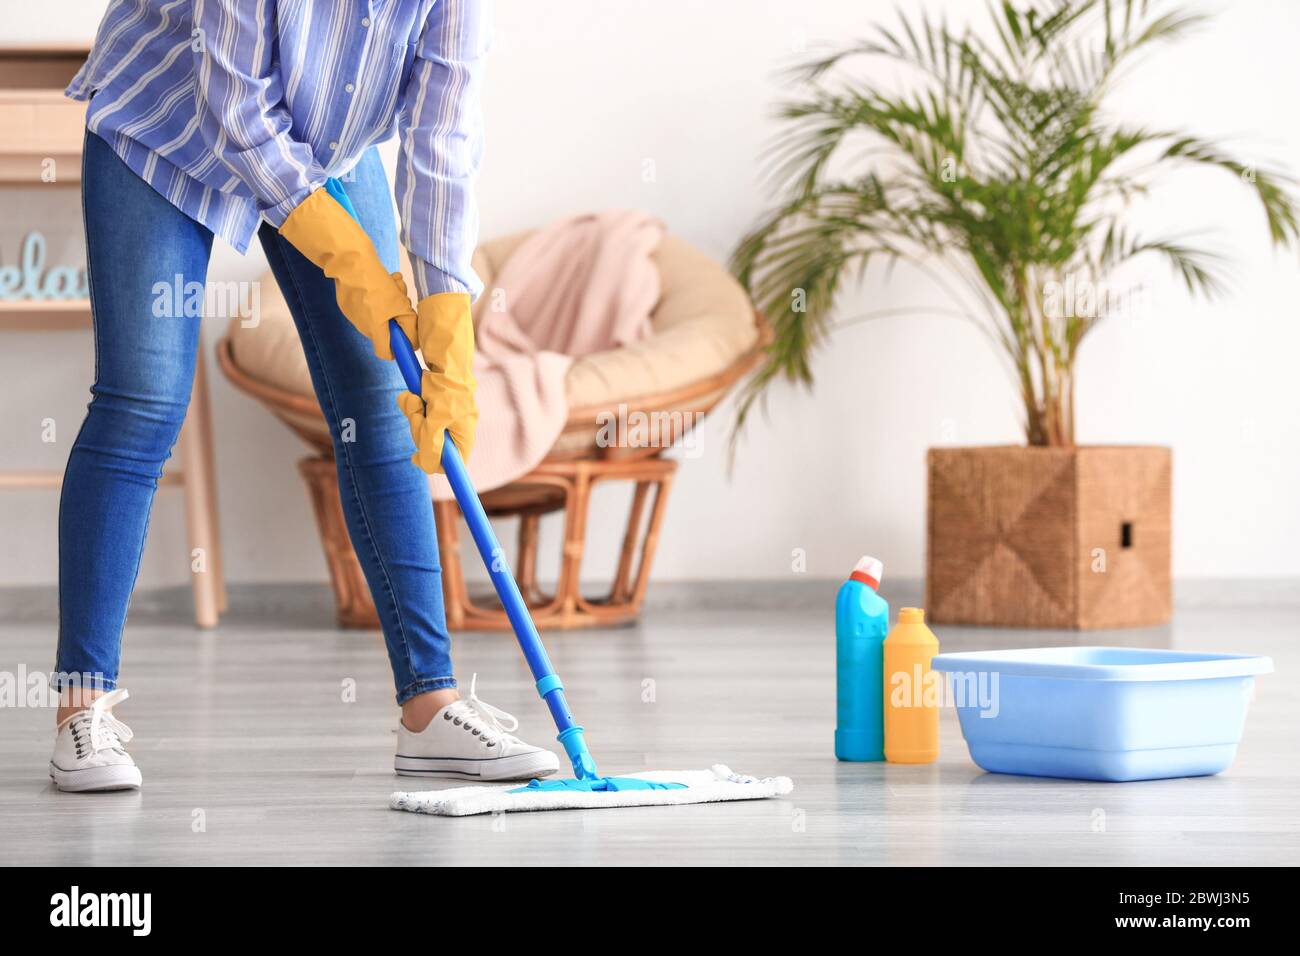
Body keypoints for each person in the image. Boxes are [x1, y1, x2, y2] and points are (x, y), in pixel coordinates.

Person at [48, 0, 559, 792]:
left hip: (323, 140)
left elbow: (443, 140)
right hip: (171, 112)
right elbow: (234, 105)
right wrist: (342, 252)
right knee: (143, 399)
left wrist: (449, 310)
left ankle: (430, 707)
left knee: (380, 399)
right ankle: (81, 710)